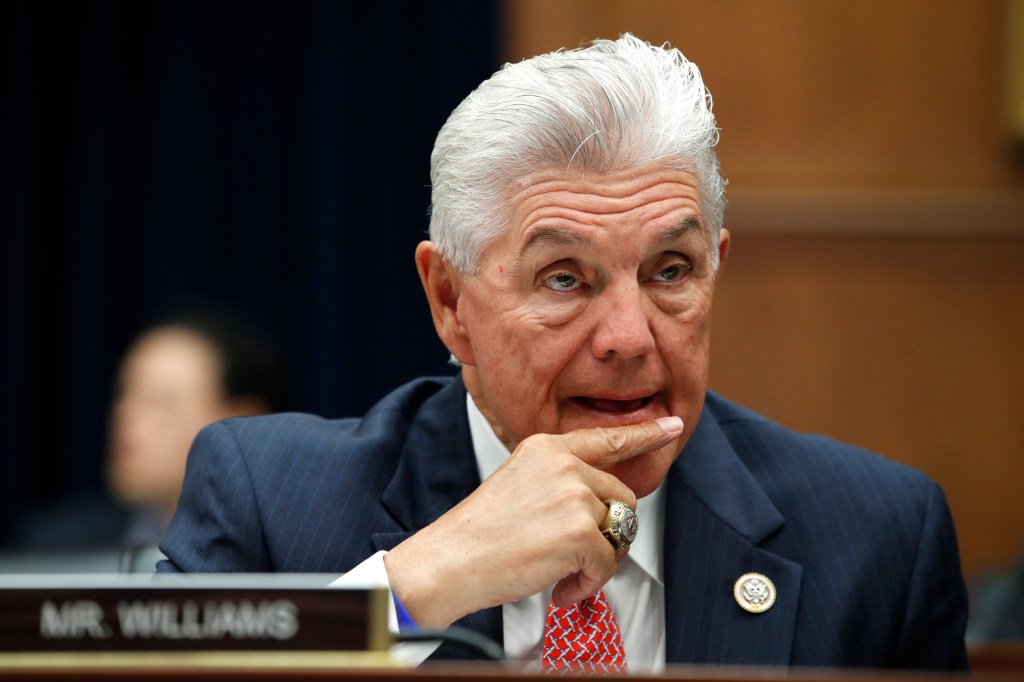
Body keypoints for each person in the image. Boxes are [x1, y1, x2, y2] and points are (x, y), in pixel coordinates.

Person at [158, 35, 968, 669]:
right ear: (450, 302)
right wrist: (415, 589)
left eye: (671, 271)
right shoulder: (271, 502)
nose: (629, 337)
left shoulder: (877, 538)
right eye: (564, 280)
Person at [10, 313, 287, 569]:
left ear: (243, 419)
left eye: (161, 401)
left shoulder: (296, 557)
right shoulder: (54, 550)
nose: (127, 416)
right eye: (125, 395)